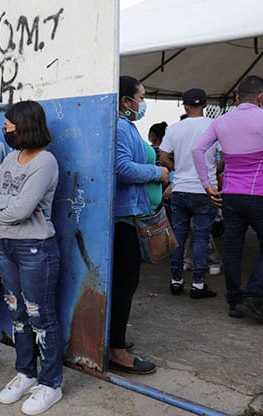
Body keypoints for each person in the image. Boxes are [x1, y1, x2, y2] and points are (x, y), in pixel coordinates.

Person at [0, 100, 64, 415]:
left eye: (8, 128)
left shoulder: (45, 162)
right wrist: (9, 205)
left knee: (40, 316)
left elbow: (21, 210)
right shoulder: (11, 158)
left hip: (36, 248)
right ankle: (26, 374)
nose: (4, 132)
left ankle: (50, 384)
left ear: (24, 127)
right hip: (8, 246)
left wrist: (6, 207)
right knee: (17, 314)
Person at [192, 75, 263, 324]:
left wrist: (207, 185)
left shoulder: (221, 121)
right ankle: (252, 296)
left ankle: (234, 302)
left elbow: (198, 150)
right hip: (261, 194)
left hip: (230, 195)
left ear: (238, 97)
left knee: (232, 248)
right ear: (262, 97)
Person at [110, 76, 170, 375]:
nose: (143, 103)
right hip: (125, 219)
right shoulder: (120, 126)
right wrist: (157, 172)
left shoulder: (125, 125)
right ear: (126, 100)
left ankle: (114, 339)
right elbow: (120, 168)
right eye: (141, 97)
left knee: (124, 284)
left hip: (131, 214)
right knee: (124, 284)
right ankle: (117, 352)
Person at [157, 88, 221, 299]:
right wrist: (215, 169)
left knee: (179, 236)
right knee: (202, 237)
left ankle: (176, 280)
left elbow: (163, 158)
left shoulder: (174, 129)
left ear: (184, 106)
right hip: (206, 189)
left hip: (181, 189)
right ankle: (198, 284)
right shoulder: (214, 127)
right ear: (205, 105)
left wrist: (178, 168)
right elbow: (226, 157)